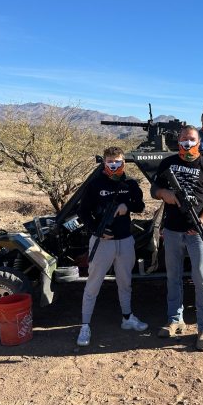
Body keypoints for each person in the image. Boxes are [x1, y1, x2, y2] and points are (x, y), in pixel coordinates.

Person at [150, 125, 203, 351]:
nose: (187, 143)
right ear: (178, 140)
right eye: (183, 139)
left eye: (191, 139)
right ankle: (174, 320)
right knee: (173, 277)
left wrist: (202, 218)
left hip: (197, 233)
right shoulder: (168, 163)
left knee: (202, 279)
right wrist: (165, 194)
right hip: (172, 231)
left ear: (198, 141)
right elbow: (154, 189)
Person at [77, 146, 148, 347]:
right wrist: (96, 231)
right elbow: (83, 212)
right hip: (103, 242)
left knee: (125, 282)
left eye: (117, 161)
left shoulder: (130, 183)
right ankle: (85, 325)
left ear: (123, 162)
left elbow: (140, 206)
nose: (114, 165)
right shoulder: (95, 184)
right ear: (104, 163)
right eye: (110, 161)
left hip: (125, 240)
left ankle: (127, 318)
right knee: (93, 284)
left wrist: (128, 207)